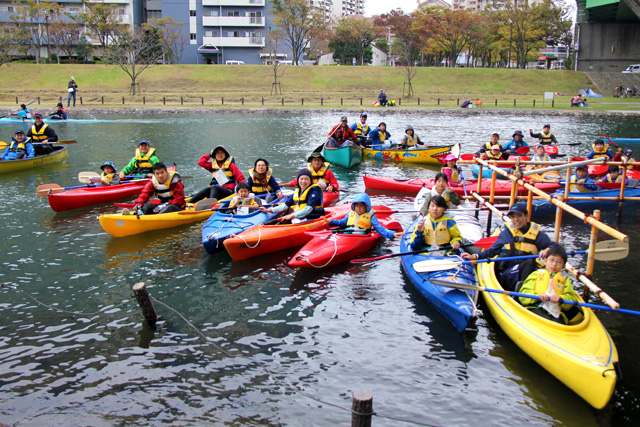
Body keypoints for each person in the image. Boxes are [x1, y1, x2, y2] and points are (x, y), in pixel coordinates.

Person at [462, 203, 559, 291]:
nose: (516, 220)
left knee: (533, 264)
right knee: (530, 262)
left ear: (526, 216)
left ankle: (532, 289)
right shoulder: (506, 234)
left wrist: (548, 248)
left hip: (529, 271)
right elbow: (492, 251)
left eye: (519, 216)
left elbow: (555, 246)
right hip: (508, 272)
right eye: (513, 217)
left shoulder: (537, 234)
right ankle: (522, 291)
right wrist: (475, 256)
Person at [518, 246, 582, 325]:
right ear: (545, 261)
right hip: (535, 309)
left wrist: (560, 299)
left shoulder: (565, 279)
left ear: (563, 266)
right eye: (552, 260)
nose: (554, 264)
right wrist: (537, 296)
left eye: (559, 262)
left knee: (558, 322)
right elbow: (523, 295)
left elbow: (570, 299)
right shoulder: (536, 274)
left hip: (556, 314)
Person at [321, 193, 403, 238]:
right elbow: (342, 222)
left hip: (361, 235)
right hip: (348, 233)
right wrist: (330, 221)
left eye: (361, 206)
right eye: (357, 206)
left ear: (366, 206)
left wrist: (392, 234)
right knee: (347, 229)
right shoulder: (351, 213)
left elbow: (379, 228)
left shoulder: (371, 217)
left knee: (348, 230)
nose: (359, 208)